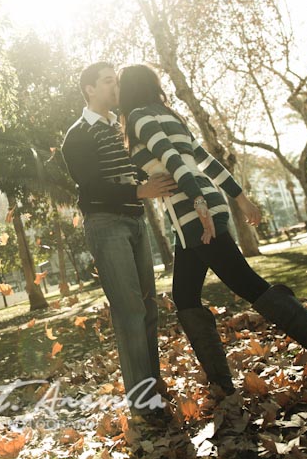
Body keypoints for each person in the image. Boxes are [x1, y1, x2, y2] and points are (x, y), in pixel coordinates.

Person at [117, 64, 307, 401]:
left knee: (250, 286)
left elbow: (172, 158)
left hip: (195, 212)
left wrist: (198, 201)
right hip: (196, 213)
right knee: (186, 297)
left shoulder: (139, 117)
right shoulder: (169, 115)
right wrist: (239, 197)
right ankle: (222, 386)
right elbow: (205, 159)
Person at [61, 62, 177, 426]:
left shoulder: (124, 127)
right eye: (109, 82)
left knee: (148, 308)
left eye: (117, 82)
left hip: (136, 221)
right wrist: (139, 190)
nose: (116, 88)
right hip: (106, 225)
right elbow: (91, 187)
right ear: (89, 89)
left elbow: (139, 167)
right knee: (129, 312)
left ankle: (152, 387)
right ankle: (143, 404)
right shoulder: (77, 136)